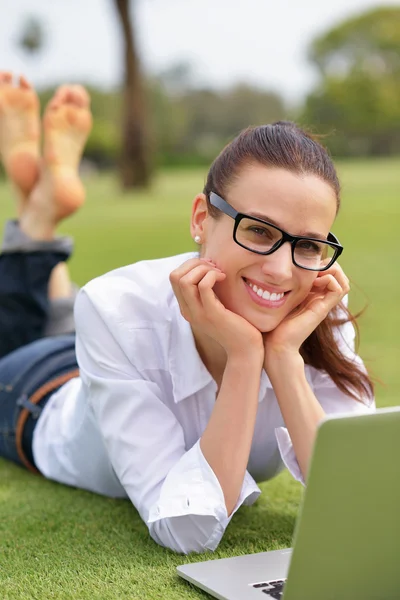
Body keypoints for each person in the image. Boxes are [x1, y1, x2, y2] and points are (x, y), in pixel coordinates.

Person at [0, 72, 374, 555]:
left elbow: (354, 494)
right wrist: (244, 358)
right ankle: (36, 217)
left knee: (63, 316)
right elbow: (186, 531)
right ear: (201, 218)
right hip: (37, 393)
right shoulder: (116, 306)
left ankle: (40, 213)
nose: (283, 270)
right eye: (259, 231)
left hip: (110, 356)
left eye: (307, 244)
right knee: (22, 334)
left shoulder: (316, 302)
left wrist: (281, 356)